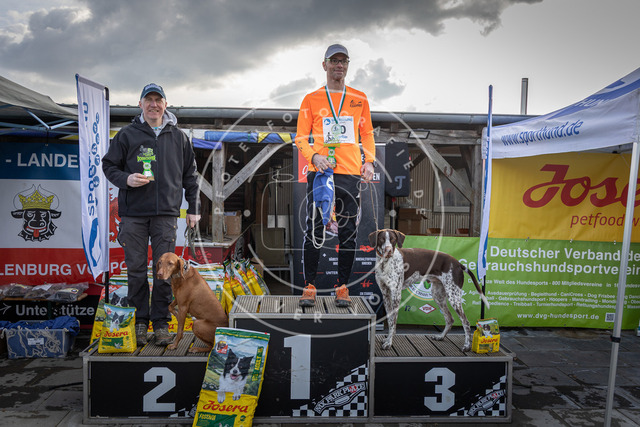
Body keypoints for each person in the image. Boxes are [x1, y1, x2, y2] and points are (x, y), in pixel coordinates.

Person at [102, 83, 201, 346]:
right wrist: (126, 179)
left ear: (166, 105)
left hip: (166, 215)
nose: (154, 105)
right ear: (140, 104)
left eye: (159, 100)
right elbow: (109, 165)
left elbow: (191, 176)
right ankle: (139, 323)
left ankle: (161, 324)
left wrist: (194, 209)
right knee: (136, 270)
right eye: (149, 100)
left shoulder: (179, 137)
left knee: (165, 272)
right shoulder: (126, 135)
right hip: (133, 215)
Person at [294, 44, 376, 307]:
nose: (339, 65)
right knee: (315, 229)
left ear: (348, 65)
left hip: (350, 173)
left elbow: (367, 134)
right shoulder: (311, 99)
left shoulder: (359, 98)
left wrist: (369, 161)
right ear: (325, 65)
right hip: (321, 173)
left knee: (348, 232)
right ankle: (309, 287)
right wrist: (314, 157)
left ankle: (342, 288)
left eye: (344, 61)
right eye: (334, 60)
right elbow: (300, 138)